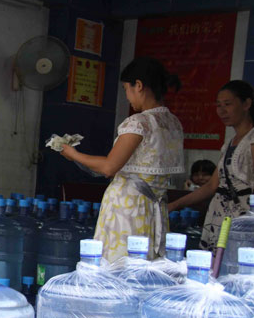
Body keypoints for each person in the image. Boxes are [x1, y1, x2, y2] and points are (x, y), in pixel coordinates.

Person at [60, 57, 184, 262]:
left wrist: (73, 154)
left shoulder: (140, 122)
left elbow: (109, 167)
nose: (127, 96)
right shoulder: (173, 124)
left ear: (139, 85)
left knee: (120, 266)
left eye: (127, 89)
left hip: (128, 208)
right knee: (144, 268)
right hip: (155, 208)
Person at [169, 80, 254, 250]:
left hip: (241, 220)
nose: (222, 111)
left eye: (227, 104)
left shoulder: (251, 141)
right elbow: (211, 186)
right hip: (219, 217)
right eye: (218, 105)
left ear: (246, 104)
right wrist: (174, 205)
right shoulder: (230, 143)